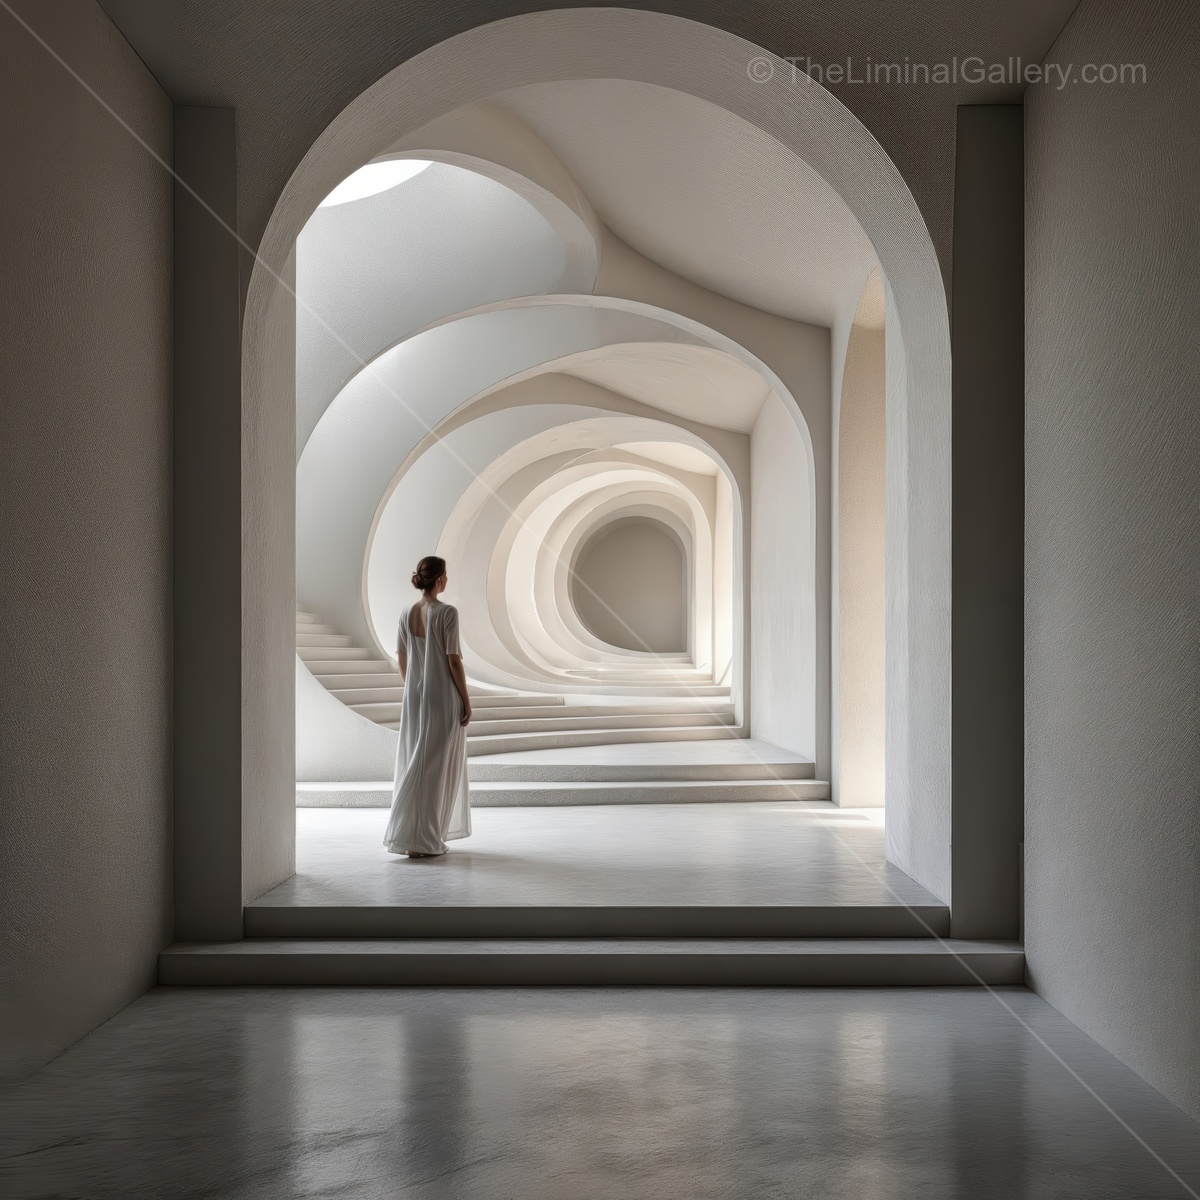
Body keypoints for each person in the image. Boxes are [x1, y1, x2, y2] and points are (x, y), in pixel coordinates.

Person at [382, 556, 472, 857]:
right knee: (434, 767)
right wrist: (466, 700)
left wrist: (412, 688)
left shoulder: (407, 613)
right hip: (442, 695)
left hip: (415, 696)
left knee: (417, 761)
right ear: (439, 579)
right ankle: (424, 838)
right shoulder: (447, 613)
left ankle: (414, 837)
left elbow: (402, 656)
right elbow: (454, 660)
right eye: (445, 574)